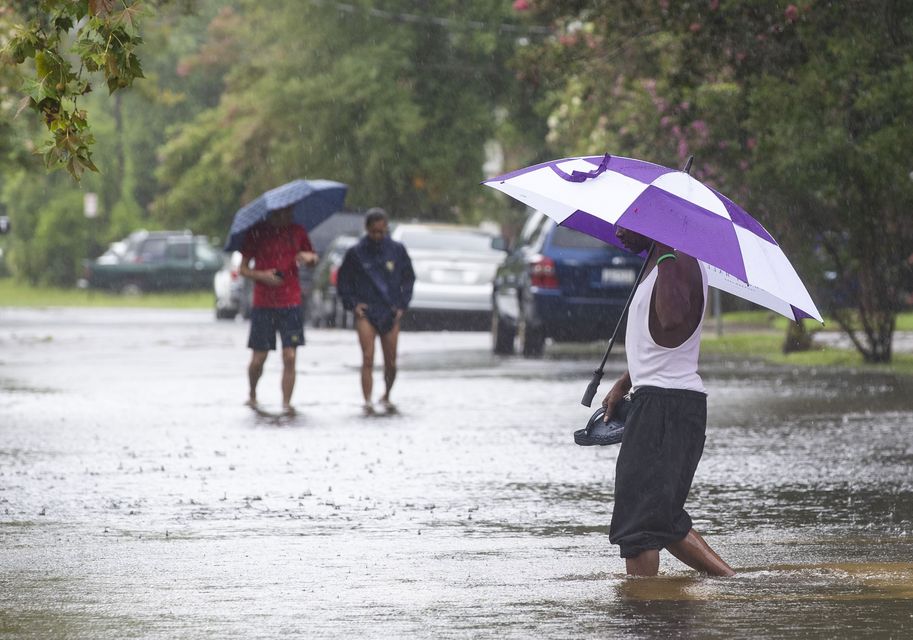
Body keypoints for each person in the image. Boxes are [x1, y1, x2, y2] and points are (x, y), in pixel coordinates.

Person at [601, 225, 735, 577]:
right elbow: (658, 343)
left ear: (652, 221)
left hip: (665, 407)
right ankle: (734, 585)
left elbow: (673, 319)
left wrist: (664, 249)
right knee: (658, 518)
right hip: (662, 401)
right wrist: (624, 382)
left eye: (627, 223)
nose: (618, 232)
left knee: (638, 528)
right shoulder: (663, 259)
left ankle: (645, 614)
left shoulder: (675, 258)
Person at [239, 206, 318, 415]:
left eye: (289, 213)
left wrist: (310, 259)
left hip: (291, 301)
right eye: (282, 213)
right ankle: (252, 392)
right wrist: (263, 275)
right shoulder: (257, 233)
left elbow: (312, 259)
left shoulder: (298, 232)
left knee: (290, 356)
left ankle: (286, 402)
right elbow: (243, 269)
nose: (287, 217)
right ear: (272, 213)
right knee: (259, 358)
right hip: (263, 303)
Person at [337, 208, 415, 415]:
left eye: (382, 231)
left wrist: (402, 305)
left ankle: (387, 394)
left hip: (390, 311)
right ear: (367, 229)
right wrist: (353, 304)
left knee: (391, 361)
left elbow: (408, 278)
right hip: (367, 311)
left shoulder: (397, 250)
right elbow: (343, 282)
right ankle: (367, 400)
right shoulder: (356, 253)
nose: (378, 236)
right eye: (374, 232)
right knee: (368, 358)